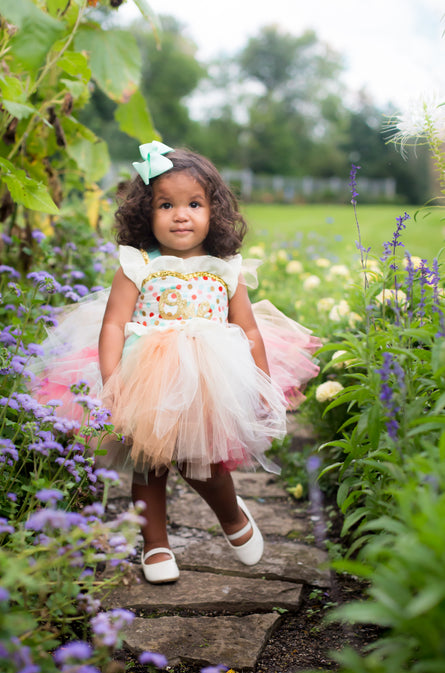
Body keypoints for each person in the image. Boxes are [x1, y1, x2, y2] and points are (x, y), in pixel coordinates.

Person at [31, 141, 320, 585]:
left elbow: (248, 330)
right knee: (150, 461)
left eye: (194, 204)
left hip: (210, 378)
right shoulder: (138, 264)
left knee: (204, 461)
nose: (180, 215)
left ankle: (231, 514)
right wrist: (111, 383)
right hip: (146, 376)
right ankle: (155, 543)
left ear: (214, 211)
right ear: (145, 213)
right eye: (166, 205)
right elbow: (114, 324)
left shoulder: (225, 268)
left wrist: (262, 385)